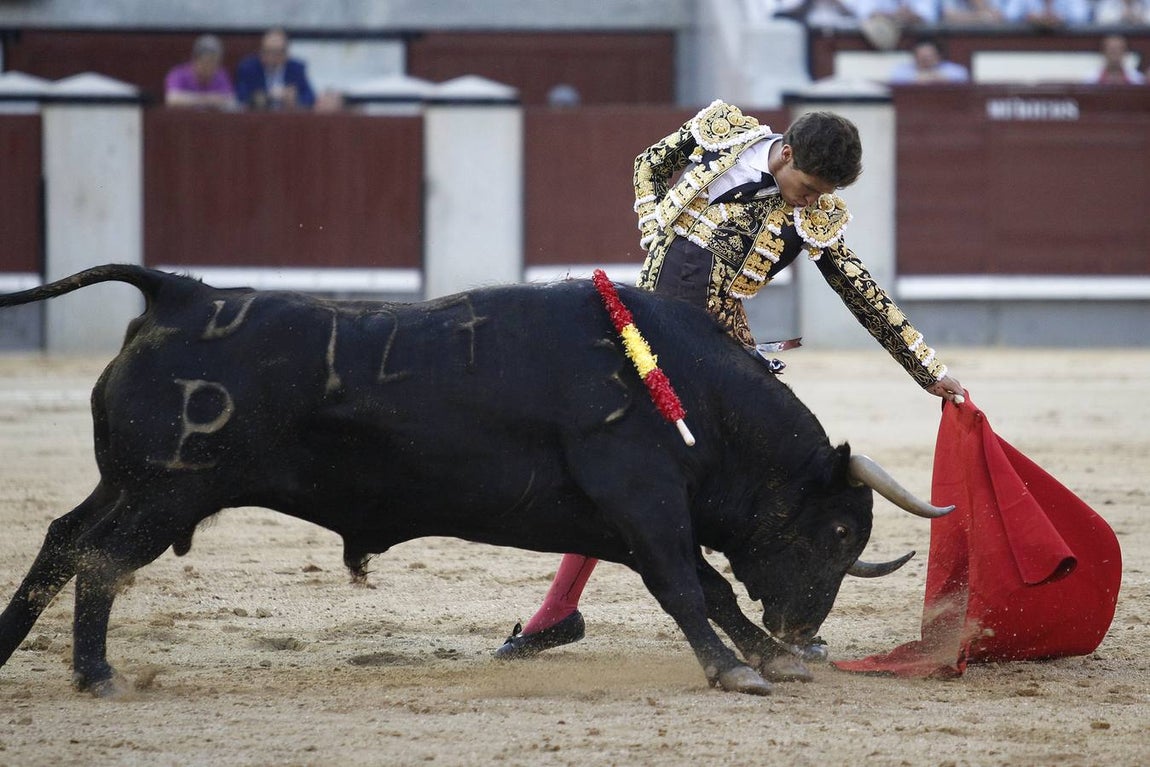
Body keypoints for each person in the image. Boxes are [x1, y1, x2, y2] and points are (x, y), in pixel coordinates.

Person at [494, 101, 964, 666]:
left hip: (714, 357)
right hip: (642, 331)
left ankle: (790, 611)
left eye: (822, 192)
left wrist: (928, 370)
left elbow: (864, 296)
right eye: (809, 185)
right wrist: (652, 222)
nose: (813, 199)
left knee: (738, 478)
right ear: (785, 152)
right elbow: (649, 162)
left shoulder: (813, 219)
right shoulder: (725, 129)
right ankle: (560, 612)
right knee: (620, 469)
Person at [235, 27, 316, 111]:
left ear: (286, 53)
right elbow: (241, 96)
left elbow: (310, 98)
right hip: (257, 118)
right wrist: (268, 96)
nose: (271, 57)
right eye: (267, 51)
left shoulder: (297, 68)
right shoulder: (248, 68)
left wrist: (294, 99)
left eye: (276, 52)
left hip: (287, 118)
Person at [164, 34, 237, 110]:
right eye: (206, 63)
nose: (210, 67)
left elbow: (230, 100)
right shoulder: (178, 74)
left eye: (214, 63)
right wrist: (206, 99)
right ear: (195, 60)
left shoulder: (221, 75)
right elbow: (172, 99)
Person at [889, 37, 971, 83]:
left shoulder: (952, 69)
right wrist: (918, 78)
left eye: (929, 57)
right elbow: (897, 77)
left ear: (938, 56)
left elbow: (961, 76)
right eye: (922, 57)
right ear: (915, 57)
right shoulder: (904, 70)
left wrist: (939, 77)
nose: (926, 60)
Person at [1000, 0, 1091, 28]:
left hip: (1066, 48)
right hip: (1028, 48)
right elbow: (1009, 16)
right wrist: (1028, 18)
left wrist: (1062, 18)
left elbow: (1082, 17)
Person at [940, 0, 1006, 24]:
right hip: (959, 37)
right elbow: (949, 17)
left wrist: (977, 2)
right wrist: (982, 17)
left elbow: (997, 17)